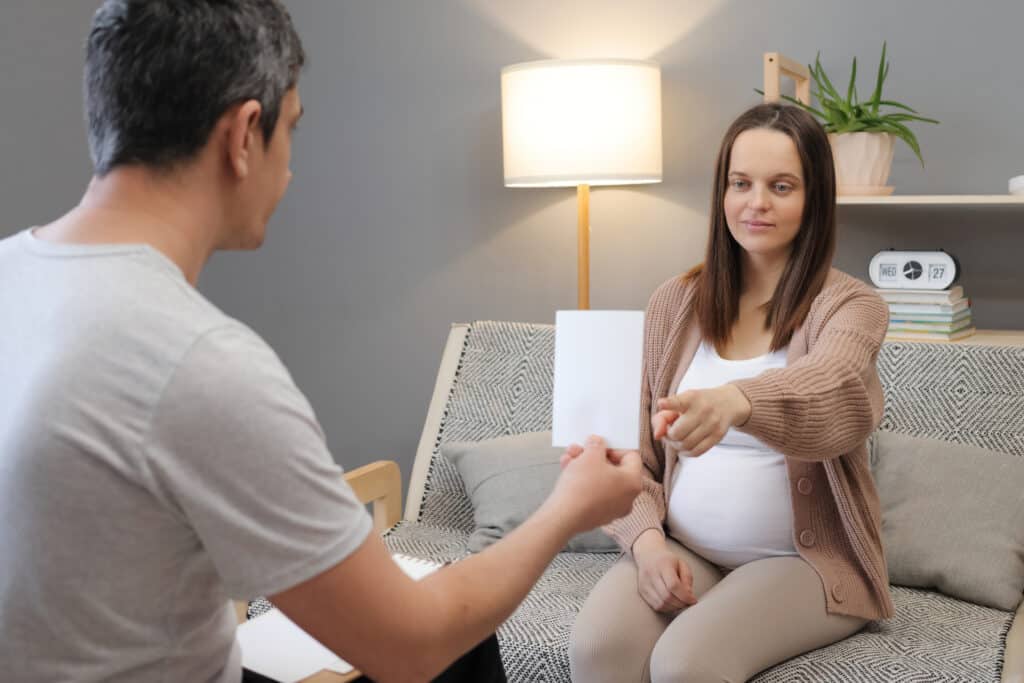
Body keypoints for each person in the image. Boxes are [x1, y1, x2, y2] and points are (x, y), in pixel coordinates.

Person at [0, 2, 644, 682]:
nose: (291, 169)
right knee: (460, 651)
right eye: (294, 130)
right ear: (245, 134)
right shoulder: (198, 363)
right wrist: (568, 505)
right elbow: (412, 645)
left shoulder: (13, 272)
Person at [567, 102, 895, 682]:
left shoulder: (852, 306)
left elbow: (835, 391)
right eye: (740, 183)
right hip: (685, 545)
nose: (756, 203)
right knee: (596, 646)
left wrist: (736, 402)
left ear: (814, 198)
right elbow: (632, 455)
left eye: (781, 186)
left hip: (805, 561)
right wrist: (646, 548)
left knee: (686, 662)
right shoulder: (674, 301)